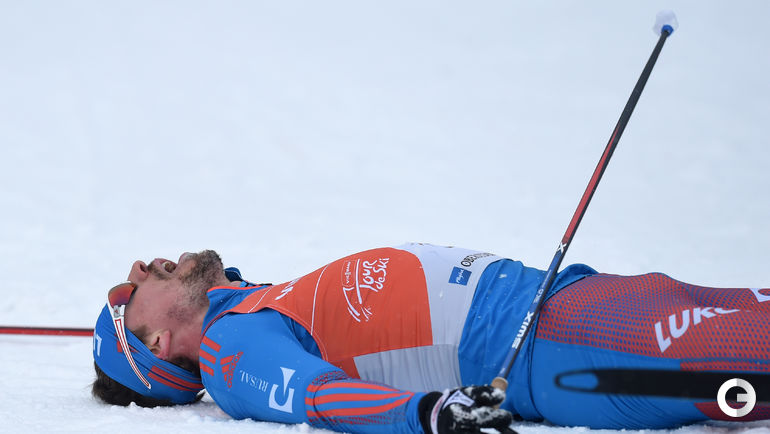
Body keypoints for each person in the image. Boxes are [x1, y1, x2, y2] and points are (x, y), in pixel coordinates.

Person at [91, 243, 770, 433]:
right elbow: (320, 398)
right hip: (564, 347)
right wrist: (432, 413)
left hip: (572, 296)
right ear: (155, 344)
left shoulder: (249, 302)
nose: (142, 267)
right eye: (128, 291)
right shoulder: (230, 352)